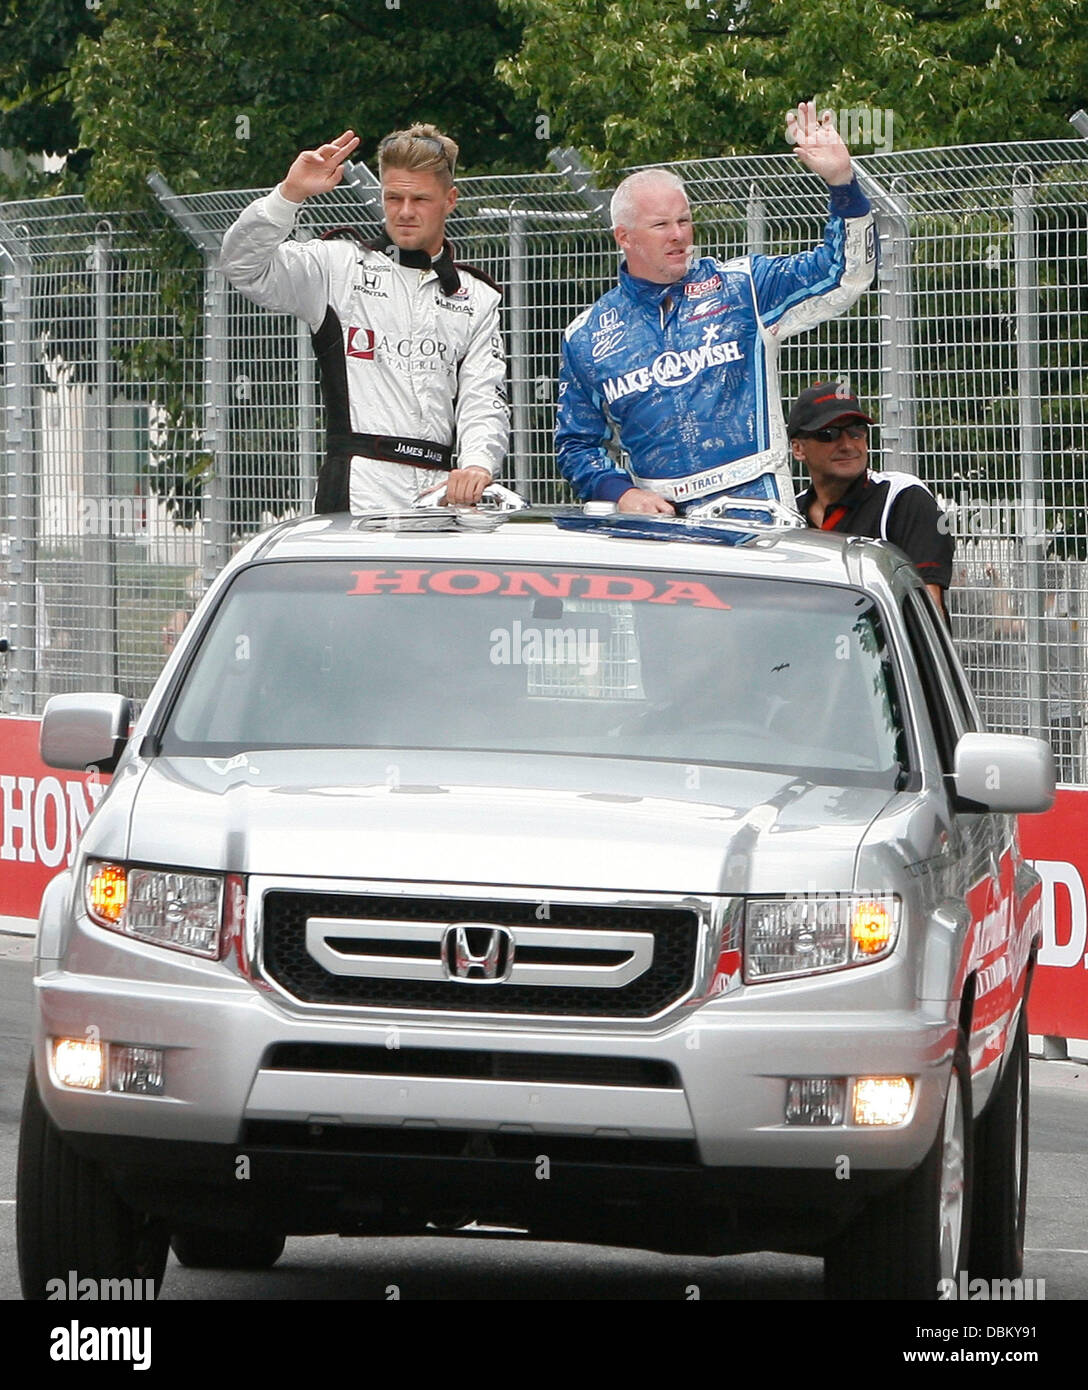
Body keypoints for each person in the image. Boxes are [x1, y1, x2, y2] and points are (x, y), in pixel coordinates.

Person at [556, 102, 878, 517]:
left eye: (685, 221)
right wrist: (621, 493)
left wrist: (842, 184)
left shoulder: (743, 286)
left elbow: (844, 274)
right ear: (625, 237)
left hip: (757, 517)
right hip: (660, 528)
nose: (677, 235)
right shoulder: (587, 335)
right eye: (660, 226)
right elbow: (575, 444)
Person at [220, 125, 508, 513]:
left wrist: (477, 464)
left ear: (450, 200)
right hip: (356, 493)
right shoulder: (338, 265)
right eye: (394, 197)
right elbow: (243, 268)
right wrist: (288, 196)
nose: (405, 211)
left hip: (439, 499)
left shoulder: (477, 296)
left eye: (420, 198)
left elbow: (483, 397)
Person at [789, 382, 954, 615]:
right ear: (798, 449)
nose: (847, 445)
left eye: (856, 431)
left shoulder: (902, 497)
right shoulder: (789, 516)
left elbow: (927, 610)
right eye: (829, 434)